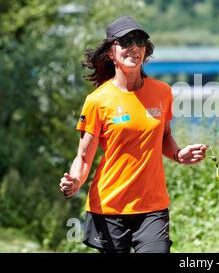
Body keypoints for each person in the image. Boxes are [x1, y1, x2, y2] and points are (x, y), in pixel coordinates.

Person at [59, 16, 208, 253]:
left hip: (153, 206)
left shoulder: (162, 92)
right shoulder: (98, 101)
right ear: (111, 52)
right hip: (110, 207)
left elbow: (165, 136)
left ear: (146, 51)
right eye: (125, 41)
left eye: (139, 41)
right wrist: (76, 181)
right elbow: (84, 157)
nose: (134, 47)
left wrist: (179, 155)